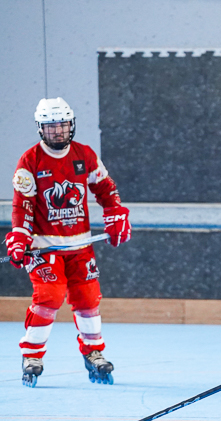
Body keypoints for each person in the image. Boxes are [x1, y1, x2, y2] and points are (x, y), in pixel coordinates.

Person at [6, 97, 131, 387]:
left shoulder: (84, 155)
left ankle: (94, 353)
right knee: (49, 297)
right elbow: (22, 205)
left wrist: (115, 213)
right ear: (41, 129)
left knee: (88, 300)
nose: (58, 132)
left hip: (80, 246)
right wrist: (19, 236)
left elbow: (105, 189)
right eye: (51, 128)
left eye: (62, 125)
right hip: (44, 247)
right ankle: (32, 356)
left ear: (71, 124)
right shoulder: (30, 160)